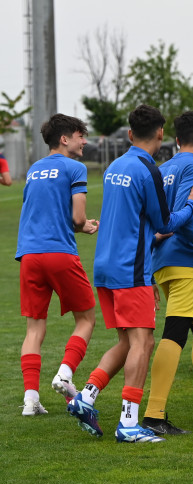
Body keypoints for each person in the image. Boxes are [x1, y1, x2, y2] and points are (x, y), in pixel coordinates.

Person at [67, 104, 193, 443]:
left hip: (105, 266)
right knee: (143, 341)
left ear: (129, 134)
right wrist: (191, 205)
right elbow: (164, 223)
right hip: (132, 267)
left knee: (128, 342)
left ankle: (86, 396)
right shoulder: (148, 170)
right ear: (160, 134)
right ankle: (128, 423)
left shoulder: (115, 165)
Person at [140, 111, 193, 435]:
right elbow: (187, 218)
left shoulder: (163, 168)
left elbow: (156, 220)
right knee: (175, 331)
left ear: (177, 139)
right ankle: (154, 414)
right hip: (185, 261)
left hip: (163, 262)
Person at [16, 114, 98, 416]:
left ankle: (31, 400)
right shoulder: (75, 167)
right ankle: (65, 373)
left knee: (34, 327)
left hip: (28, 255)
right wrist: (85, 226)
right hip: (59, 252)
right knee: (86, 319)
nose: (84, 141)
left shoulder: (34, 168)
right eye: (80, 135)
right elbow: (77, 219)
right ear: (65, 139)